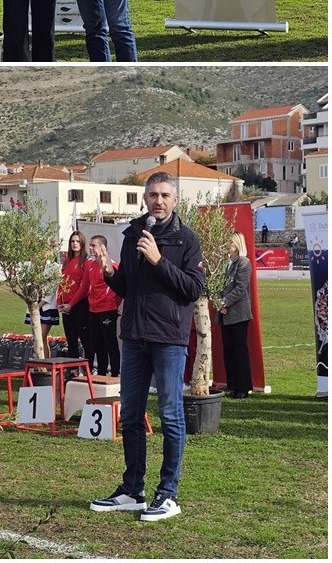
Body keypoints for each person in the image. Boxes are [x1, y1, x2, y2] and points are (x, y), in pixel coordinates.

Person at [90, 172, 204, 522]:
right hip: (135, 338)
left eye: (165, 194)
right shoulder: (133, 234)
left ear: (175, 199)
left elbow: (192, 289)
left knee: (170, 416)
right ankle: (132, 489)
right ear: (144, 197)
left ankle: (168, 493)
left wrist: (158, 260)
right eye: (153, 194)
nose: (158, 200)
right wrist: (110, 273)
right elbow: (128, 286)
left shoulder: (187, 240)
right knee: (130, 415)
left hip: (168, 339)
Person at [218, 232, 254, 398]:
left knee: (240, 351)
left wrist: (224, 302)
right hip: (224, 314)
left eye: (230, 242)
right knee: (228, 351)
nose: (228, 245)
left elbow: (240, 289)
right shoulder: (225, 263)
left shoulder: (244, 263)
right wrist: (219, 303)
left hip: (239, 313)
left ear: (237, 244)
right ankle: (232, 385)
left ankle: (244, 387)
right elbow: (218, 285)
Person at [86, 235, 121, 377]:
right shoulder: (91, 265)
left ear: (103, 247)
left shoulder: (112, 265)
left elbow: (119, 288)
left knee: (110, 343)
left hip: (108, 309)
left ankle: (114, 375)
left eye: (93, 245)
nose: (90, 248)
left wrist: (116, 305)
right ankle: (101, 374)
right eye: (90, 245)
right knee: (97, 344)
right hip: (93, 309)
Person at [57, 230, 90, 363]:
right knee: (71, 341)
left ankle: (88, 370)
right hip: (66, 307)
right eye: (72, 241)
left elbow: (84, 287)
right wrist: (60, 301)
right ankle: (73, 371)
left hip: (79, 305)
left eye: (77, 241)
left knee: (86, 340)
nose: (75, 244)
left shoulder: (86, 261)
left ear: (82, 243)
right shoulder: (67, 261)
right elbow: (61, 283)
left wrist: (71, 304)